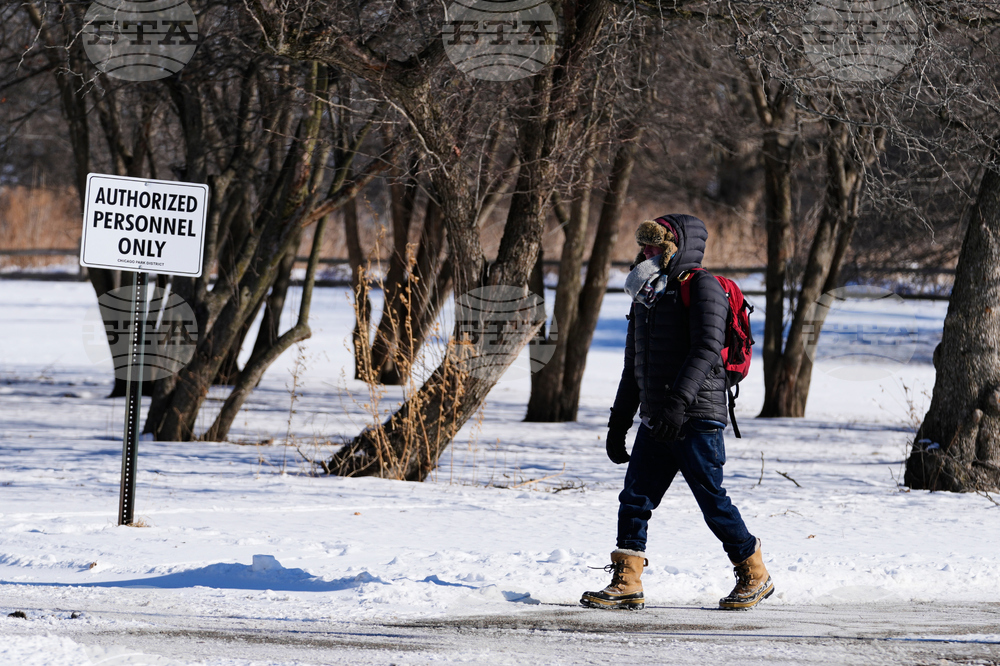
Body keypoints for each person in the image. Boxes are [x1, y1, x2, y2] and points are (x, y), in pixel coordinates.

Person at [580, 214, 773, 611]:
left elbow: (706, 349)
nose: (646, 254)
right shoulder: (646, 294)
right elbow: (633, 365)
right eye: (644, 247)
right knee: (635, 497)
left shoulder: (702, 287)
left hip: (696, 415)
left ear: (675, 248)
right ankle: (627, 581)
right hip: (657, 417)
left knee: (710, 499)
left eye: (654, 247)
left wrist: (677, 406)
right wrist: (619, 423)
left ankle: (755, 571)